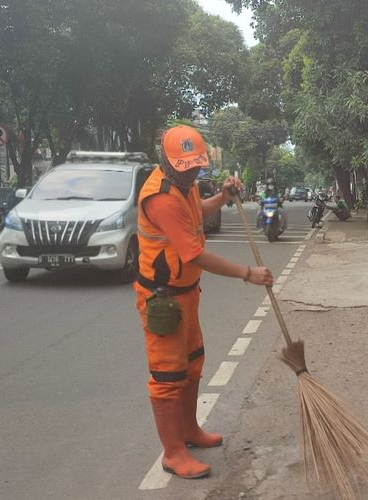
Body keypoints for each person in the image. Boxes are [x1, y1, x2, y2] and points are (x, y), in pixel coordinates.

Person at [134, 125, 273, 479]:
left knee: (193, 363)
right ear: (166, 161)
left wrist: (224, 197)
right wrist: (246, 272)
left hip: (187, 293)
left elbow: (198, 212)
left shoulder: (185, 186)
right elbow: (194, 253)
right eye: (185, 166)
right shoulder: (162, 198)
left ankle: (189, 429)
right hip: (162, 299)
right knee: (168, 375)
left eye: (195, 165)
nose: (191, 171)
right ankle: (173, 452)